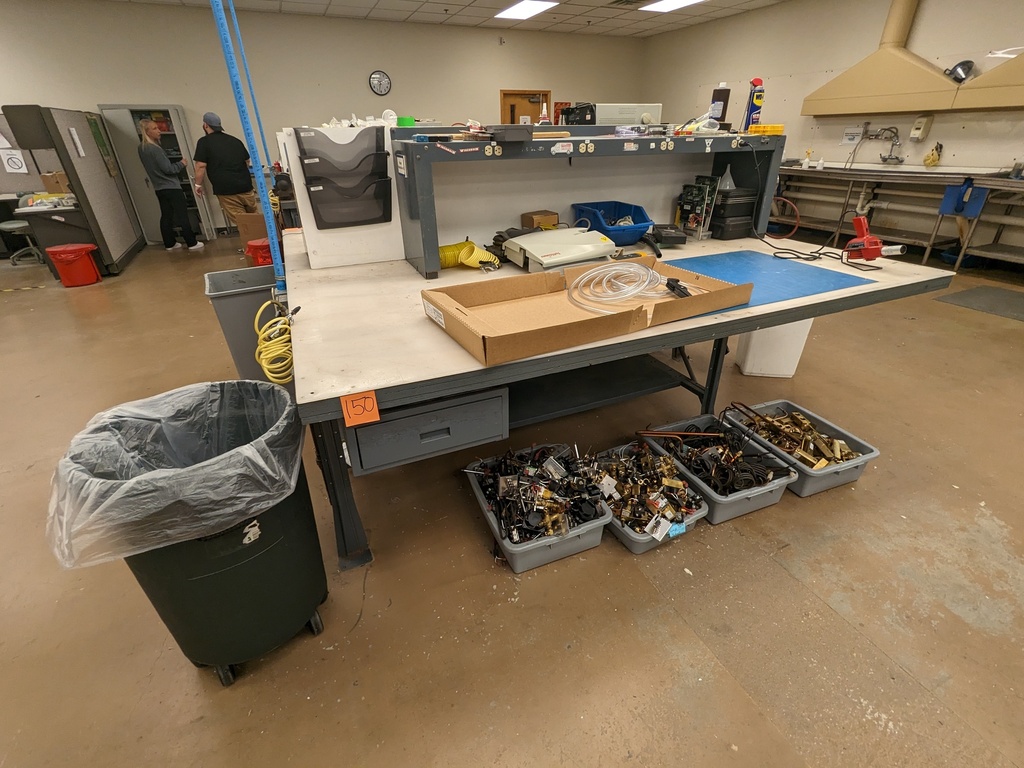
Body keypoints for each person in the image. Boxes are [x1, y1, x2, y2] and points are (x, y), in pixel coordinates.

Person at [137, 119, 203, 251]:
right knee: (182, 215)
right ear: (147, 132)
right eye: (155, 128)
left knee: (166, 215)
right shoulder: (155, 149)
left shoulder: (142, 149)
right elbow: (168, 169)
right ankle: (191, 242)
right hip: (171, 187)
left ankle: (169, 243)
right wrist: (182, 164)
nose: (159, 130)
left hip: (159, 188)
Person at [193, 112, 258, 226]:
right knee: (256, 220)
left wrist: (198, 184)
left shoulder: (204, 142)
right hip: (246, 187)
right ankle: (265, 241)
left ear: (205, 125)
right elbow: (247, 161)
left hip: (226, 190)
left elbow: (201, 166)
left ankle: (253, 242)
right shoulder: (235, 140)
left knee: (244, 224)